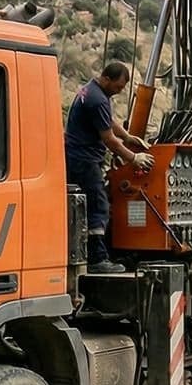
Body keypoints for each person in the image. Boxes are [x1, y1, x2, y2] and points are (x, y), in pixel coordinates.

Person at [64, 61, 153, 274]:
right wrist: (134, 158)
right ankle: (97, 259)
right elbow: (109, 139)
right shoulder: (97, 100)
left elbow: (108, 122)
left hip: (78, 157)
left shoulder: (92, 91)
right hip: (84, 160)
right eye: (118, 87)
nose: (119, 91)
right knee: (98, 207)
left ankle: (94, 255)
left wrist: (128, 136)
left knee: (91, 205)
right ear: (106, 79)